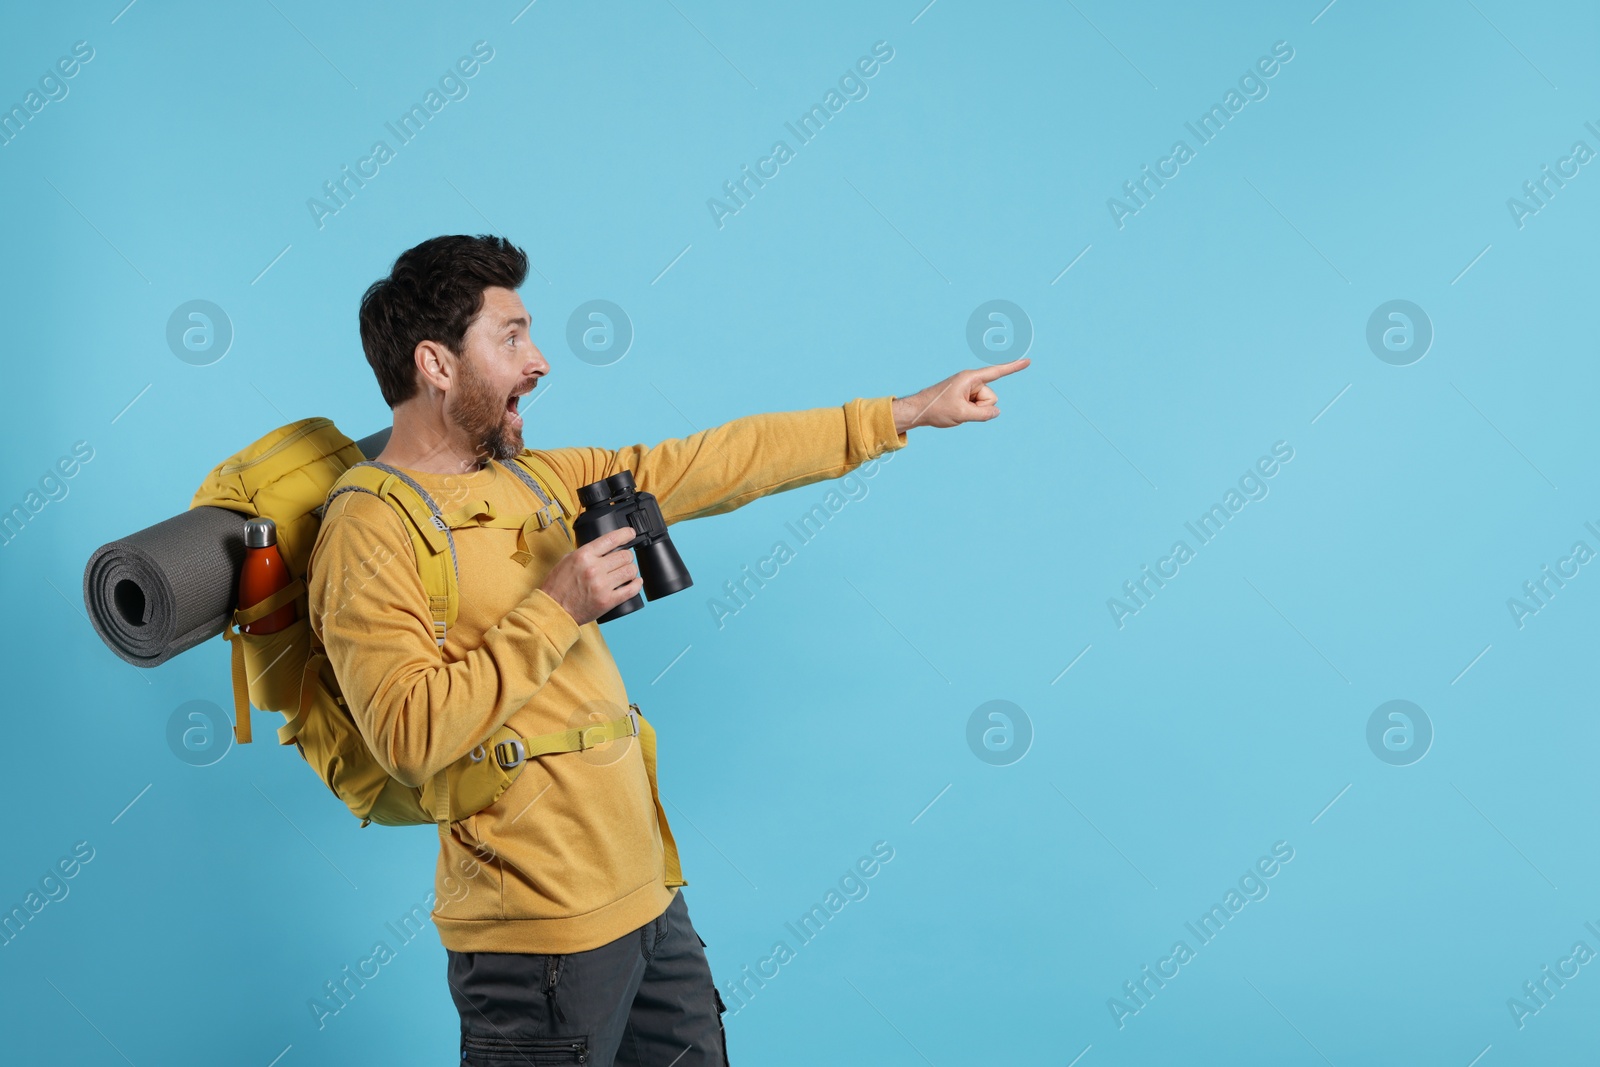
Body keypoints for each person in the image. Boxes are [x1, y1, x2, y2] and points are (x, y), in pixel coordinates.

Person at [305, 233, 1029, 1066]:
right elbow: (406, 736)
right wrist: (558, 605)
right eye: (511, 337)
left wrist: (901, 412)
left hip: (649, 896)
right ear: (436, 363)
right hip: (536, 931)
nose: (539, 360)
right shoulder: (369, 527)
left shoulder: (535, 477)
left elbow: (711, 461)